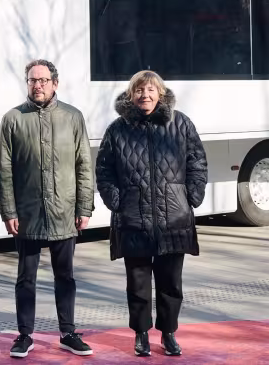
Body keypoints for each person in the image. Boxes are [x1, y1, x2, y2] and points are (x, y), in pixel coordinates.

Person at [95, 70, 207, 358]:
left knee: (171, 283)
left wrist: (192, 196)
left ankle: (168, 333)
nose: (145, 95)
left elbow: (197, 161)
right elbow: (104, 171)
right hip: (134, 219)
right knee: (138, 283)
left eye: (151, 90)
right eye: (139, 90)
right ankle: (141, 334)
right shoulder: (118, 129)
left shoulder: (180, 124)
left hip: (174, 218)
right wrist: (117, 201)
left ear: (161, 94)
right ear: (131, 95)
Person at [0, 59, 94, 358]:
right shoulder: (13, 119)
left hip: (64, 211)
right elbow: (4, 170)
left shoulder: (73, 117)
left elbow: (84, 165)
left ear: (55, 82)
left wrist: (85, 207)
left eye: (42, 80)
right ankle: (24, 335)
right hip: (27, 215)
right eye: (32, 80)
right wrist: (9, 211)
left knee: (65, 277)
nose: (37, 85)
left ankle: (68, 332)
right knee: (25, 278)